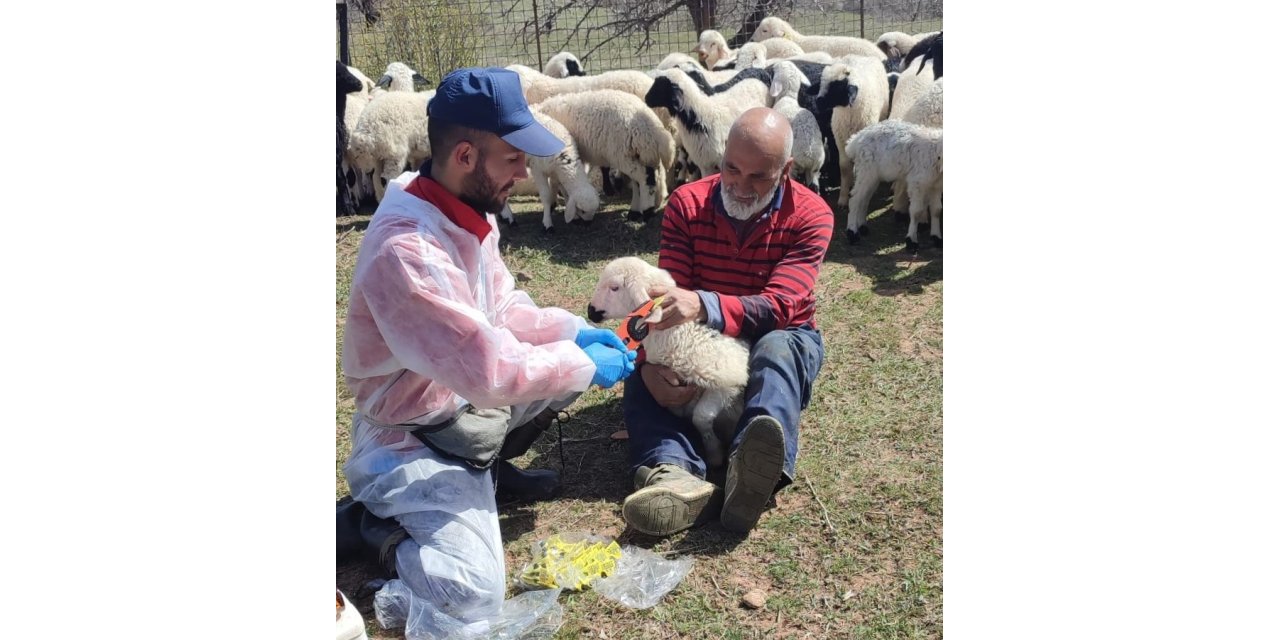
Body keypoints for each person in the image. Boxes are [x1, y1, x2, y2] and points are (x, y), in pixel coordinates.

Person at [336, 67, 636, 627]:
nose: (523, 173)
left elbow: (503, 309)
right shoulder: (409, 251)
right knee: (474, 593)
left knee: (559, 373)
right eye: (513, 159)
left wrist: (572, 332)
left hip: (453, 396)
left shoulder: (467, 211)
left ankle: (487, 471)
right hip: (411, 429)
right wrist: (576, 362)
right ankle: (377, 526)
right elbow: (488, 371)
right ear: (466, 156)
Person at [618, 107, 832, 536]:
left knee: (776, 351)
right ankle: (672, 473)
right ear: (722, 156)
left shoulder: (811, 215)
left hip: (778, 333)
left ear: (787, 170)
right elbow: (664, 300)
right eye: (731, 168)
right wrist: (646, 365)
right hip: (704, 340)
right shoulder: (687, 204)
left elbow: (779, 306)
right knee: (648, 366)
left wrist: (704, 305)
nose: (740, 185)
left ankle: (751, 471)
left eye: (758, 176)